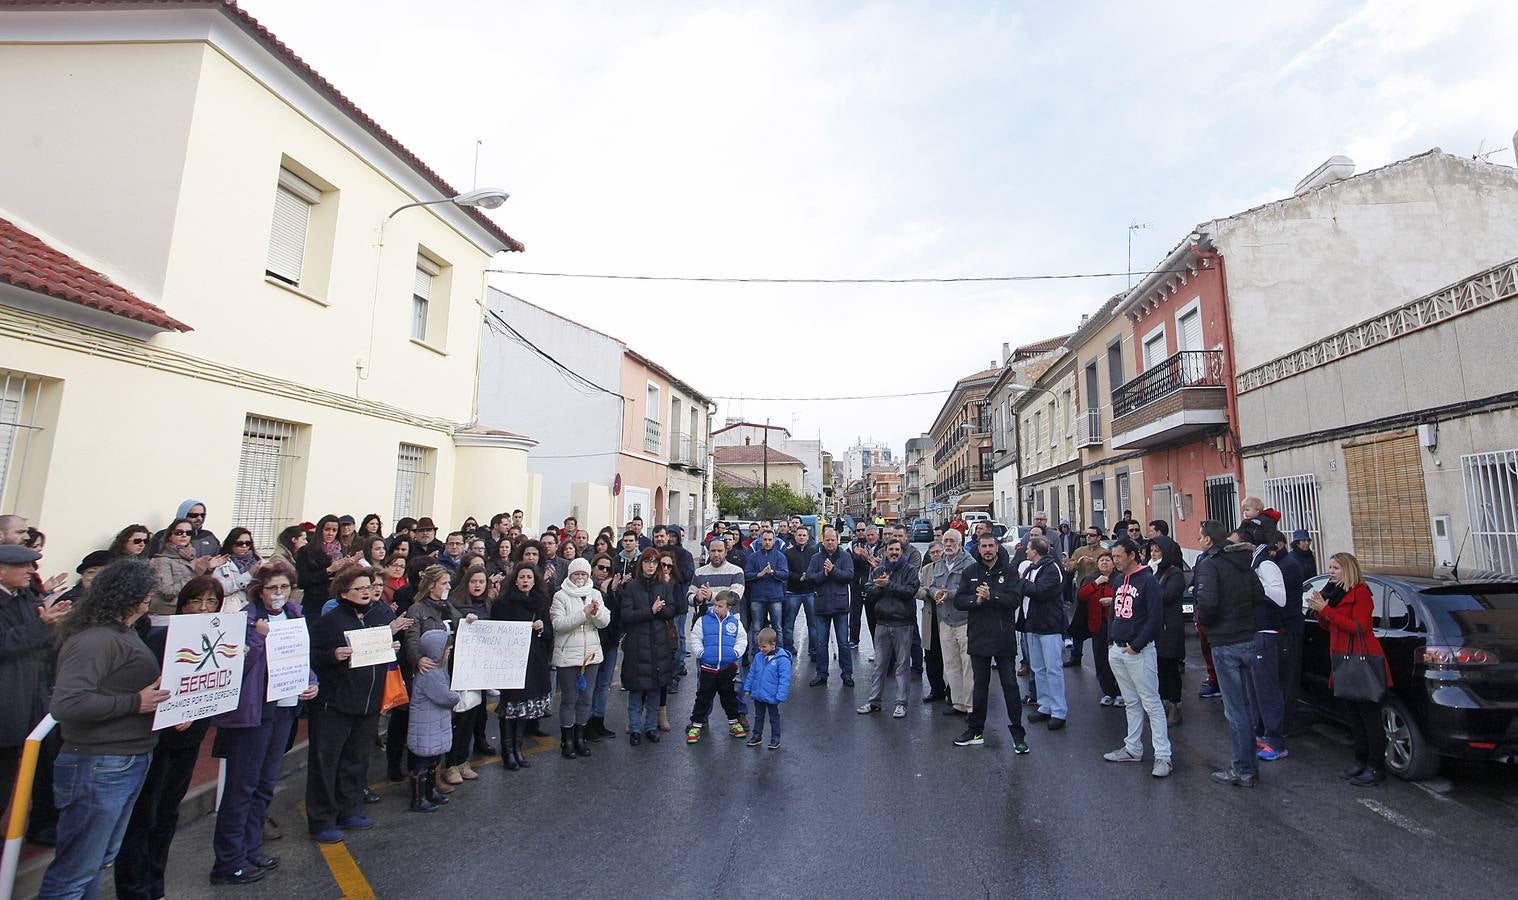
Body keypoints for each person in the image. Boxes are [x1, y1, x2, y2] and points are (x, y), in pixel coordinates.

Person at [38, 559, 169, 899]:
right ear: (132, 596)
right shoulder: (94, 640)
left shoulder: (122, 633)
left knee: (96, 862)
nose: (152, 597)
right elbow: (66, 704)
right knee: (75, 870)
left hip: (122, 759)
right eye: (148, 591)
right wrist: (135, 703)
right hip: (98, 763)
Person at [207, 562, 317, 885]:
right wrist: (257, 638)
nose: (279, 593)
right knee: (242, 786)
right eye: (272, 588)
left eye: (284, 587)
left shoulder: (295, 615)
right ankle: (228, 861)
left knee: (265, 784)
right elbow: (237, 667)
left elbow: (301, 657)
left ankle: (251, 847)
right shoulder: (246, 620)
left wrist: (312, 681)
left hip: (283, 709)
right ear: (260, 591)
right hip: (254, 712)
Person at [116, 577, 223, 896]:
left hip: (190, 739)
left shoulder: (221, 638)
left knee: (167, 814)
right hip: (156, 740)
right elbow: (148, 686)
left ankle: (155, 881)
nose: (203, 609)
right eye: (196, 601)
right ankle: (133, 887)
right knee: (143, 816)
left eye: (211, 602)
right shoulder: (161, 638)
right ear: (182, 604)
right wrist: (172, 713)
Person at [306, 567, 403, 843]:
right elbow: (312, 656)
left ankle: (350, 808)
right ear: (343, 592)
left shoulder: (377, 617)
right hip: (335, 703)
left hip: (368, 702)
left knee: (356, 759)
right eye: (359, 589)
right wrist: (332, 655)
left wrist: (390, 647)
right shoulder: (330, 622)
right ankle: (322, 819)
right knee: (326, 762)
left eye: (368, 587)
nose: (365, 592)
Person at [0, 544, 70, 838]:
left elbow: (39, 645)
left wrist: (54, 625)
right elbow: (6, 644)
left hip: (28, 699)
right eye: (24, 565)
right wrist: (42, 625)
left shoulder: (25, 597)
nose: (32, 571)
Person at [1306, 552, 1390, 786]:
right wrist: (1320, 610)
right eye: (1330, 567)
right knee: (1354, 715)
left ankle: (1375, 766)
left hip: (1361, 658)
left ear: (1348, 570)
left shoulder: (1360, 592)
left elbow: (1360, 627)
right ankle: (1360, 760)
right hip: (1342, 657)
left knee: (1369, 716)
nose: (1331, 572)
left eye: (1336, 568)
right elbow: (1329, 624)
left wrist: (1327, 611)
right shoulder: (1334, 592)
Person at [1193, 520, 1263, 788]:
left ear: (1209, 540)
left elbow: (1207, 604)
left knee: (1235, 710)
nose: (1199, 541)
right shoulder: (1244, 561)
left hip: (1225, 641)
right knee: (1246, 705)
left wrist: (1208, 625)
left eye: (1201, 537)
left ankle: (1243, 769)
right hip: (1247, 636)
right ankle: (1250, 765)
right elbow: (1259, 595)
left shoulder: (1210, 564)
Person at [1100, 538, 1172, 778]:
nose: (1115, 561)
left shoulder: (1148, 581)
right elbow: (1113, 613)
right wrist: (1111, 641)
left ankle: (1163, 755)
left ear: (1132, 555)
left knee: (1151, 703)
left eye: (1119, 556)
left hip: (1138, 651)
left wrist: (1136, 646)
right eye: (1113, 557)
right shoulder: (1119, 580)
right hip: (1118, 649)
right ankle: (1132, 748)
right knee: (1131, 702)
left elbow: (1155, 618)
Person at [951, 534, 1028, 753]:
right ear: (978, 549)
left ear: (997, 547)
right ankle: (975, 730)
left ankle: (1018, 735)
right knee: (979, 687)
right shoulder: (970, 572)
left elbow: (1014, 600)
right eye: (983, 546)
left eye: (991, 546)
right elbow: (959, 601)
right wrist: (976, 600)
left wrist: (991, 596)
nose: (987, 550)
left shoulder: (1009, 571)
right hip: (979, 636)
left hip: (1003, 638)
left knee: (1010, 686)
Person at [1237, 518, 1290, 762]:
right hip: (1251, 632)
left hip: (1266, 633)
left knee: (1267, 690)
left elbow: (1280, 598)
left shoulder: (1266, 565)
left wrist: (1253, 587)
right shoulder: (1251, 564)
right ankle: (1261, 734)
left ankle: (1276, 741)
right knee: (1254, 690)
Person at [492, 563, 555, 768]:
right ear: (515, 580)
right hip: (511, 661)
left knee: (524, 708)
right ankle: (507, 751)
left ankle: (518, 748)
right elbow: (496, 632)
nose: (525, 580)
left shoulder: (540, 602)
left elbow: (549, 633)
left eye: (529, 577)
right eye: (522, 577)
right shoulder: (503, 603)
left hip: (533, 661)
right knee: (510, 706)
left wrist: (542, 628)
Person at [550, 558, 610, 759]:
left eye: (583, 574)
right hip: (568, 656)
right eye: (576, 574)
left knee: (585, 698)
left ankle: (580, 736)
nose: (580, 578)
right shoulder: (560, 596)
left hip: (590, 655)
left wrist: (597, 612)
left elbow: (604, 622)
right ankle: (566, 739)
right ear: (570, 575)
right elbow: (559, 624)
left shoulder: (594, 593)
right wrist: (583, 614)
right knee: (569, 699)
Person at [857, 539, 919, 719]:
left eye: (897, 549)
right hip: (882, 623)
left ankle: (901, 704)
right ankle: (874, 701)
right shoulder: (878, 570)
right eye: (891, 549)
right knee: (879, 666)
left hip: (903, 624)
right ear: (885, 552)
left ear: (902, 552)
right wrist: (879, 586)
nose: (894, 552)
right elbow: (869, 591)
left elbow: (909, 592)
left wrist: (888, 585)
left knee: (902, 666)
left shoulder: (910, 570)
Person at [619, 549, 676, 745]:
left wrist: (661, 610)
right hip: (637, 644)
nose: (651, 566)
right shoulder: (632, 587)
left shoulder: (663, 586)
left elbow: (672, 610)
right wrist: (650, 611)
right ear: (641, 564)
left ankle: (651, 727)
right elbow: (627, 615)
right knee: (636, 690)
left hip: (659, 643)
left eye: (654, 562)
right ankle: (635, 728)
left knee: (654, 690)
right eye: (647, 562)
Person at [444, 567, 492, 779]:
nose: (478, 585)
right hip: (460, 668)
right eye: (474, 581)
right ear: (466, 582)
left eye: (481, 581)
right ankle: (451, 764)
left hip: (479, 668)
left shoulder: (488, 604)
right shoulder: (454, 603)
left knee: (472, 715)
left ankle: (463, 760)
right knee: (460, 717)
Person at [403, 629, 456, 814]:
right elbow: (445, 697)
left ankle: (430, 791)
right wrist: (457, 695)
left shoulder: (435, 670)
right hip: (426, 727)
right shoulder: (431, 673)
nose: (448, 652)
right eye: (446, 649)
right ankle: (418, 799)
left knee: (433, 761)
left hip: (433, 725)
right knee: (422, 764)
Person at [684, 590, 748, 744]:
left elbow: (742, 639)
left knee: (729, 698)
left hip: (727, 668)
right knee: (703, 698)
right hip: (708, 668)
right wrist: (701, 653)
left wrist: (735, 653)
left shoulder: (735, 623)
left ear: (729, 608)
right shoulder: (703, 620)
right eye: (715, 605)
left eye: (720, 606)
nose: (716, 608)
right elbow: (695, 637)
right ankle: (696, 725)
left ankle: (734, 723)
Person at [1020, 535, 1069, 730]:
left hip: (1049, 625)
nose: (1026, 551)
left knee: (1053, 668)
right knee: (1038, 668)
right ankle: (1045, 704)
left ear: (1035, 551)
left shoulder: (1051, 568)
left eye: (1028, 548)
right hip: (1033, 624)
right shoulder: (1031, 568)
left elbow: (1042, 591)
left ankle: (1059, 710)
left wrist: (1021, 583)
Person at [928, 530, 975, 716]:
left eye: (951, 541)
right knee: (951, 665)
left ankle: (971, 706)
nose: (947, 544)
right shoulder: (939, 563)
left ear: (960, 543)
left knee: (968, 666)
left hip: (964, 620)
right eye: (945, 540)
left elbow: (972, 589)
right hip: (945, 620)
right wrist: (935, 593)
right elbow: (932, 585)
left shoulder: (970, 564)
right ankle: (958, 703)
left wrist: (951, 594)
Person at [804, 526, 855, 687]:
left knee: (843, 643)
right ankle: (821, 674)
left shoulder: (845, 556)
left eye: (833, 540)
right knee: (821, 643)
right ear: (823, 540)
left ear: (838, 540)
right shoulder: (816, 558)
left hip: (840, 606)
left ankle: (847, 674)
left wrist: (833, 571)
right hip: (821, 605)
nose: (830, 542)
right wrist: (824, 574)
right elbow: (810, 578)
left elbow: (849, 576)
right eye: (827, 540)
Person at [1148, 536, 1187, 725]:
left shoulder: (1175, 573)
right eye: (1152, 551)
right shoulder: (1150, 571)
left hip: (1170, 627)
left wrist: (1150, 588)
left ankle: (1175, 706)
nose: (1153, 554)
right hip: (1155, 626)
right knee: (1158, 668)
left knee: (1171, 668)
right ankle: (1162, 703)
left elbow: (1168, 596)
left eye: (1157, 551)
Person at [148, 517, 223, 614]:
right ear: (170, 536)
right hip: (167, 613)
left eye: (189, 533)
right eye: (179, 532)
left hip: (189, 611)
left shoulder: (192, 556)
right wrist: (196, 573)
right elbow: (167, 592)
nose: (184, 535)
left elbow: (199, 588)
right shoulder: (161, 560)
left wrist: (208, 569)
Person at [1076, 551, 1122, 705]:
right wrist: (1096, 583)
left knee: (1117, 661)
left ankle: (1121, 693)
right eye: (1101, 560)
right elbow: (1081, 596)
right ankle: (1108, 692)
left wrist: (1112, 600)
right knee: (1101, 661)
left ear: (1113, 563)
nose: (1104, 563)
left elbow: (1125, 597)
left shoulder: (1119, 578)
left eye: (1108, 560)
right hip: (1097, 626)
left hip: (1116, 626)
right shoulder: (1091, 578)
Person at [743, 627, 790, 750]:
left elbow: (784, 679)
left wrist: (781, 695)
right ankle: (757, 735)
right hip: (759, 694)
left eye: (764, 647)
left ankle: (775, 738)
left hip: (772, 695)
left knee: (774, 717)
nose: (761, 649)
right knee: (758, 716)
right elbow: (752, 673)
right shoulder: (758, 657)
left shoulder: (782, 660)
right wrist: (747, 687)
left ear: (773, 645)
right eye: (759, 646)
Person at [742, 529, 789, 651]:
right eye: (765, 539)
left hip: (775, 597)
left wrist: (773, 572)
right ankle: (757, 653)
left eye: (770, 540)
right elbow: (746, 575)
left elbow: (785, 574)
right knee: (756, 628)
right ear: (760, 541)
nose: (767, 542)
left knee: (777, 627)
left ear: (774, 541)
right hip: (758, 597)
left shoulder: (780, 556)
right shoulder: (753, 557)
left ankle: (779, 653)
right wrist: (759, 574)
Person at [916, 541, 948, 703]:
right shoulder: (926, 569)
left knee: (948, 656)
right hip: (930, 616)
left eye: (938, 552)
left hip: (947, 618)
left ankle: (952, 691)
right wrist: (929, 593)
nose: (936, 555)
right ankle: (936, 690)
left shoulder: (950, 567)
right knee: (931, 656)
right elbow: (918, 590)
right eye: (933, 553)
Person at [296, 515, 348, 613]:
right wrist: (328, 570)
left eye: (334, 530)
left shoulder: (342, 550)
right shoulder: (306, 551)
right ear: (320, 530)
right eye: (327, 529)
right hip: (315, 603)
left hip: (336, 601)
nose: (330, 533)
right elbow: (302, 581)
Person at [781, 526, 819, 661]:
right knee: (789, 624)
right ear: (795, 536)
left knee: (813, 624)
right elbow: (785, 571)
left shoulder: (814, 552)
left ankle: (814, 651)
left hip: (810, 592)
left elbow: (817, 569)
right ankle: (788, 648)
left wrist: (809, 576)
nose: (801, 537)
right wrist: (799, 577)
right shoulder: (788, 553)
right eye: (799, 535)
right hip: (793, 592)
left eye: (804, 535)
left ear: (808, 537)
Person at [213, 527, 260, 613]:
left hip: (255, 606)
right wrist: (248, 575)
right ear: (231, 544)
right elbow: (222, 589)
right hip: (234, 607)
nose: (244, 546)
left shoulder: (258, 561)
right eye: (239, 543)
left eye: (248, 543)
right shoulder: (222, 562)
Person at [848, 525, 880, 646]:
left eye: (872, 535)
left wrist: (867, 558)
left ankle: (877, 646)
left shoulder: (882, 547)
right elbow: (850, 565)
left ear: (877, 535)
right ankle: (853, 639)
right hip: (858, 585)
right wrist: (857, 557)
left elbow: (880, 564)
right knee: (855, 614)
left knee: (873, 617)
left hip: (874, 586)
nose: (870, 537)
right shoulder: (854, 546)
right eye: (868, 535)